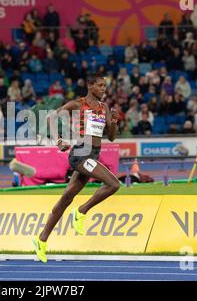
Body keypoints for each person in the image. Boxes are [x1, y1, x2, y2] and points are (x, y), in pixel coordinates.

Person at [32, 75, 120, 263]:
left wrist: (113, 122)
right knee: (113, 183)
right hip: (81, 154)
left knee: (66, 198)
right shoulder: (78, 104)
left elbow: (111, 137)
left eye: (105, 86)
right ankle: (81, 211)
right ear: (90, 85)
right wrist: (58, 140)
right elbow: (50, 118)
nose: (104, 89)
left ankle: (41, 240)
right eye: (100, 85)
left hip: (94, 154)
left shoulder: (104, 108)